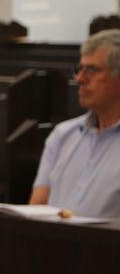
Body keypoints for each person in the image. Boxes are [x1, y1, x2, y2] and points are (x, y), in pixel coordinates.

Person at [29, 29, 120, 218]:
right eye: (80, 69)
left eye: (92, 70)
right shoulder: (63, 134)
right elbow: (36, 208)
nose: (79, 79)